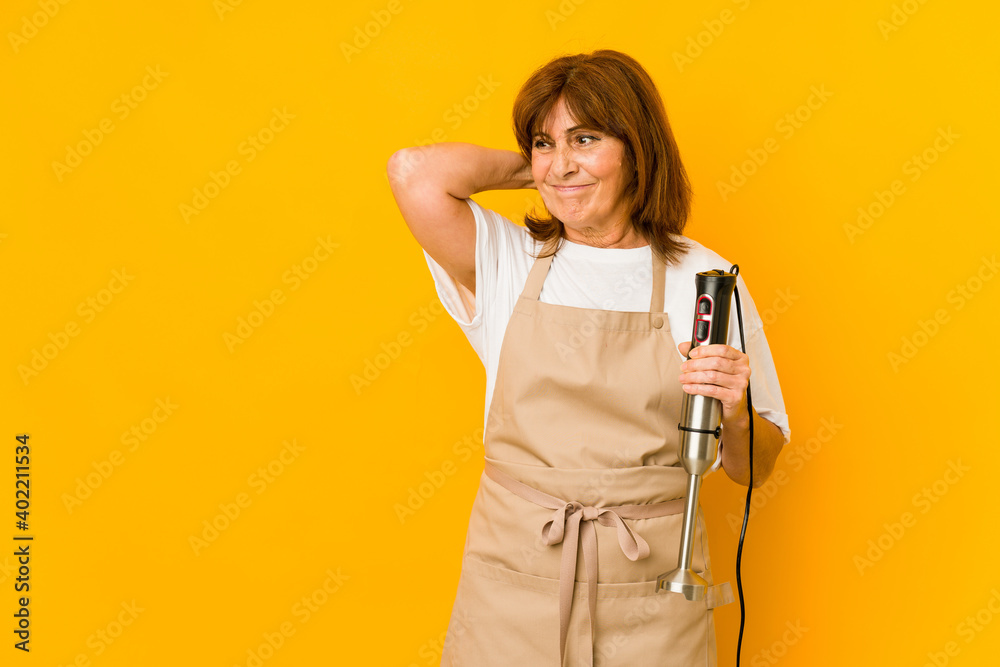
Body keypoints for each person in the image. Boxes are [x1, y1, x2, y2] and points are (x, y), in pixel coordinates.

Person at [387, 49, 790, 667]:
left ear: (639, 148)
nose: (561, 161)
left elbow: (753, 468)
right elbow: (414, 171)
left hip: (654, 587)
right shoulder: (507, 259)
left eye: (587, 137)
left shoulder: (703, 280)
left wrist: (735, 413)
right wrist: (555, 171)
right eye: (544, 142)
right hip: (514, 584)